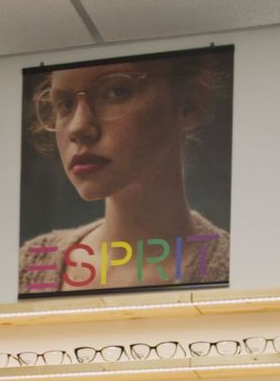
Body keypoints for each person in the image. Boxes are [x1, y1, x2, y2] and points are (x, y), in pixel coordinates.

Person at [19, 53, 230, 294]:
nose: (78, 128)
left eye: (115, 92)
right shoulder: (29, 267)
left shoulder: (237, 269)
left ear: (190, 104)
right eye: (65, 105)